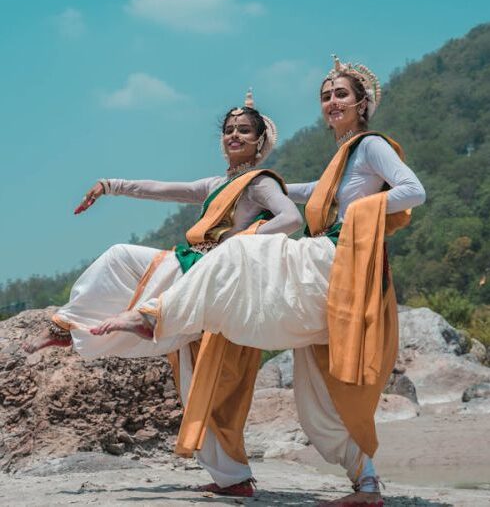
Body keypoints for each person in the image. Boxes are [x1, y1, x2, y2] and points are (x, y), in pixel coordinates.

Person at [92, 56, 426, 507]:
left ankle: (155, 316)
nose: (331, 102)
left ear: (363, 102)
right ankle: (366, 486)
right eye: (326, 96)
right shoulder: (340, 160)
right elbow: (301, 193)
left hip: (339, 259)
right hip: (330, 261)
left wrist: (358, 216)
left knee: (241, 251)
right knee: (319, 395)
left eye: (341, 94)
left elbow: (413, 190)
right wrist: (250, 187)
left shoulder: (369, 146)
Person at [23, 92, 303, 497]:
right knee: (192, 380)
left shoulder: (258, 183)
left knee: (204, 376)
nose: (234, 135)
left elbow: (291, 217)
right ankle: (234, 480)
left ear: (260, 142)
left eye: (244, 130)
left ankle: (147, 317)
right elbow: (161, 189)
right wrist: (111, 185)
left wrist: (239, 242)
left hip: (216, 276)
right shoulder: (216, 184)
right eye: (229, 130)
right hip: (190, 265)